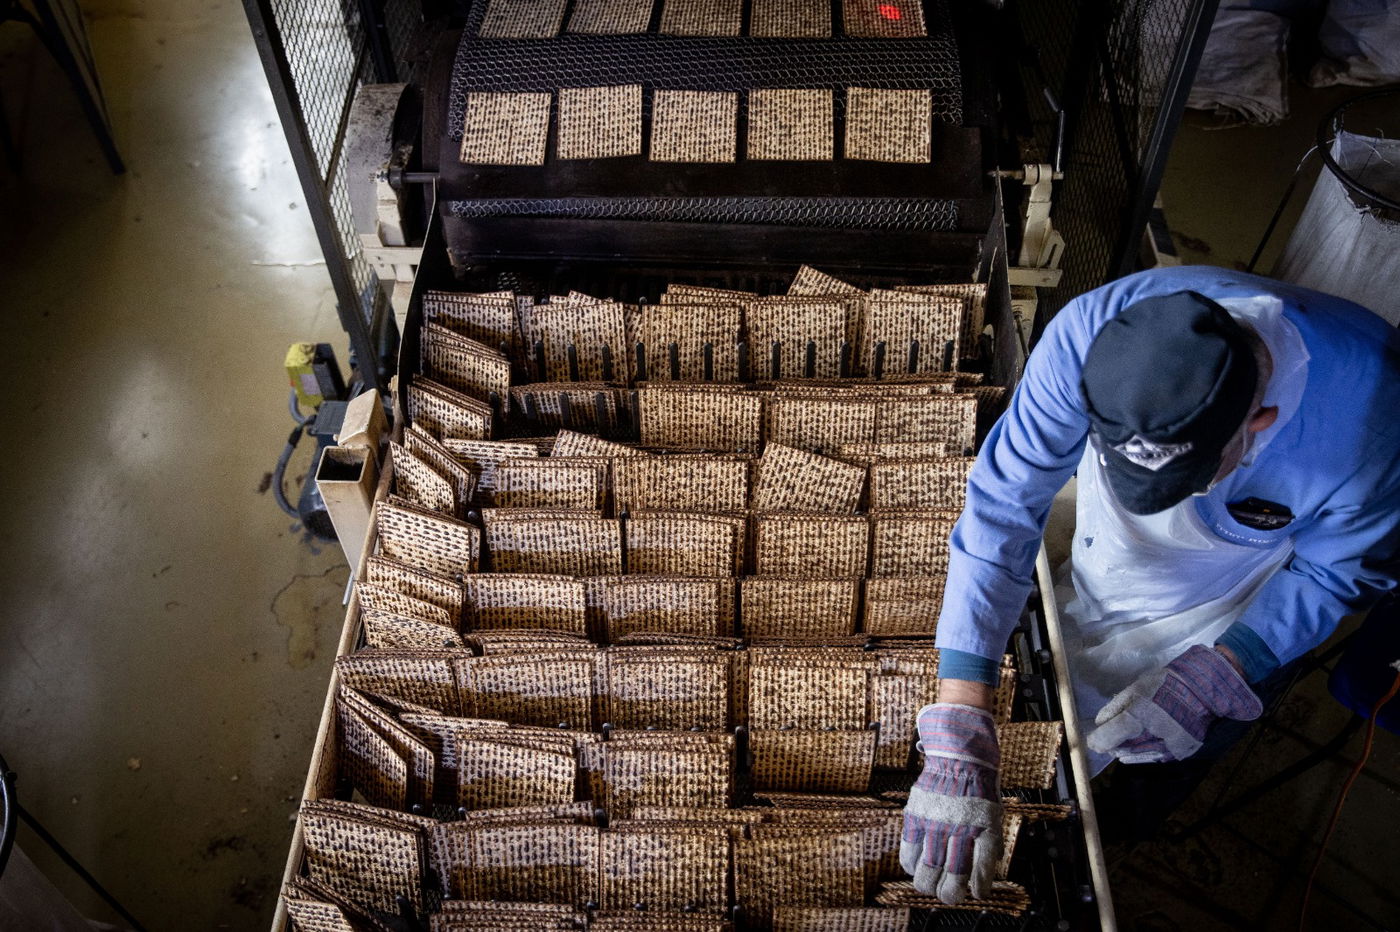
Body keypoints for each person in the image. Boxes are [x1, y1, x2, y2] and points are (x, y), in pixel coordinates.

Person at [899, 266, 1400, 904]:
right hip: (1113, 565)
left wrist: (1231, 664)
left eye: (1189, 474)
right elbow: (1004, 504)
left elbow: (1334, 575)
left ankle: (1128, 826)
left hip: (1243, 591)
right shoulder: (1085, 335)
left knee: (1179, 754)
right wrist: (960, 718)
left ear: (1261, 422)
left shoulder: (1377, 422)